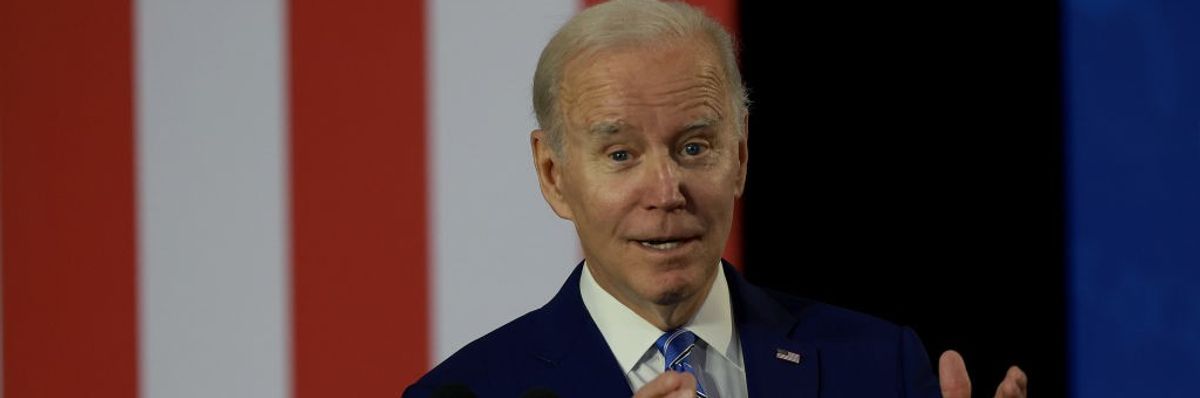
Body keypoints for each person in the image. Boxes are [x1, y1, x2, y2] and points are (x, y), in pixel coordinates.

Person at [405, 1, 1028, 397]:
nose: (666, 191)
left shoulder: (877, 368)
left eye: (695, 147)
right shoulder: (470, 391)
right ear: (553, 174)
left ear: (742, 157)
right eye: (621, 154)